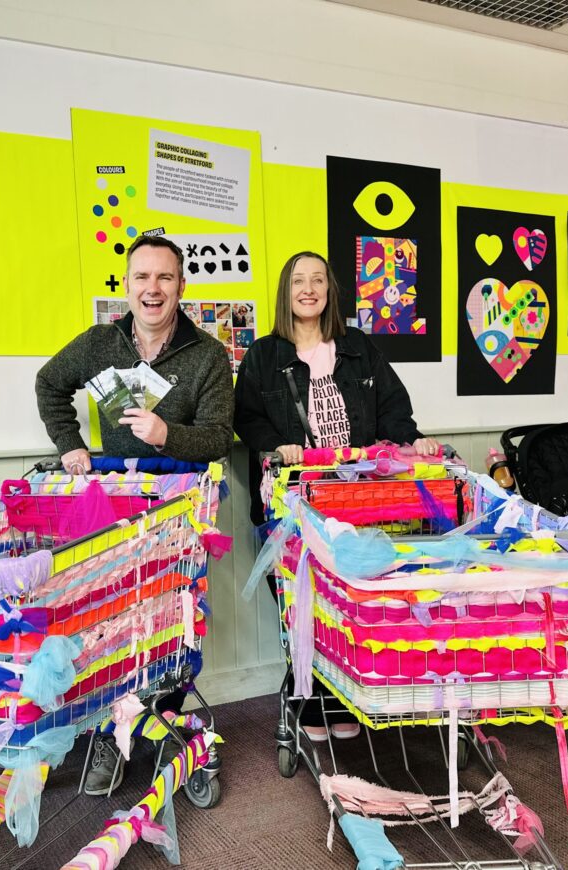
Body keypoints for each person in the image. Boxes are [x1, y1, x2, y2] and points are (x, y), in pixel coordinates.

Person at [36, 234, 233, 794]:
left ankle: (163, 720)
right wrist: (69, 444)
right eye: (141, 278)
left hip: (181, 509)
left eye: (164, 278)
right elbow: (49, 382)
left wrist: (168, 432)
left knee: (171, 623)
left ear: (181, 287)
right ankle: (108, 731)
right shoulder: (100, 344)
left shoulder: (208, 355)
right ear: (127, 287)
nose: (152, 289)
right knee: (108, 619)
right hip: (111, 507)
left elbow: (220, 437)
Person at [233, 250, 439, 742]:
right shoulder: (263, 354)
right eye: (298, 281)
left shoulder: (360, 349)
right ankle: (310, 698)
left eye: (318, 280)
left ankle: (346, 694)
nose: (308, 289)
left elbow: (393, 408)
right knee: (300, 599)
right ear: (285, 292)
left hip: (358, 498)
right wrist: (271, 445)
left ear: (330, 290)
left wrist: (413, 443)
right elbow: (246, 418)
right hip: (292, 499)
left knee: (348, 601)